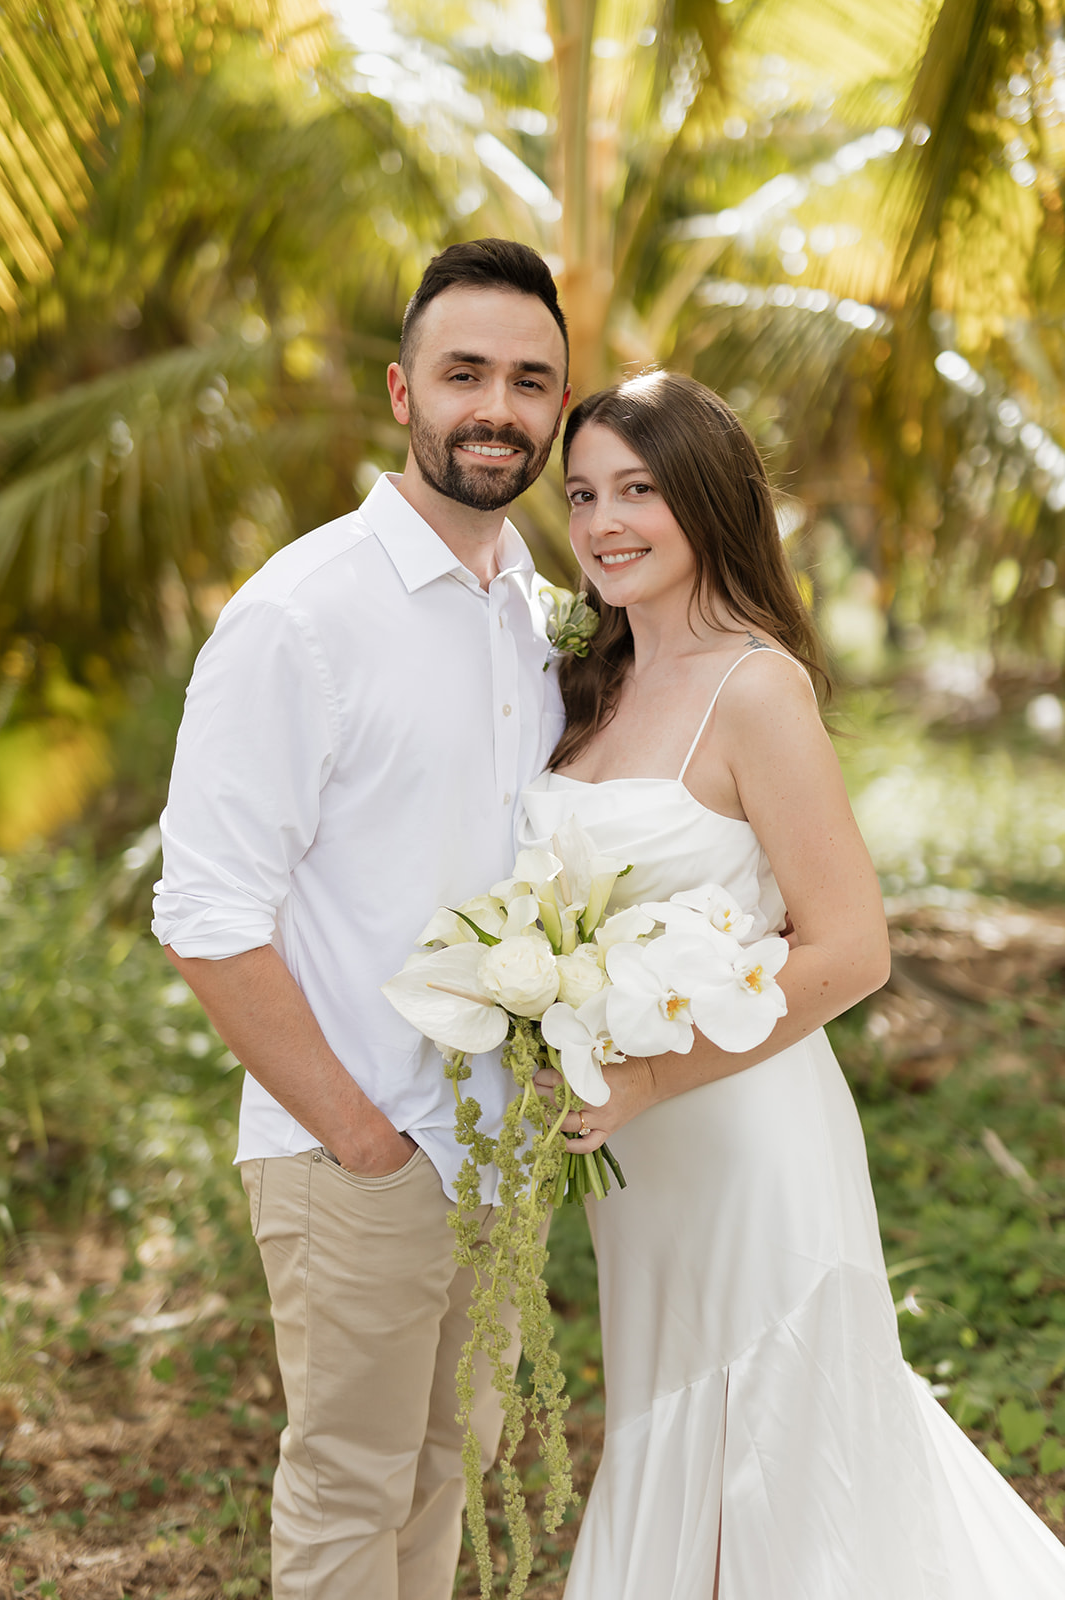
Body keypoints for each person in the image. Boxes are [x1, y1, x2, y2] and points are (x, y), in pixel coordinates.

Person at [519, 370, 1065, 1598]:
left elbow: (848, 949)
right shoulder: (584, 685)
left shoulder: (754, 687)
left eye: (639, 490)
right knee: (672, 1413)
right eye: (584, 493)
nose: (603, 521)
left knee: (779, 1441)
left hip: (740, 1128)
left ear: (708, 500)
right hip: (637, 1158)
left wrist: (648, 1075)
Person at [151, 238, 570, 1600]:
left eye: (528, 379)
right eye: (464, 374)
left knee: (442, 1475)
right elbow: (205, 918)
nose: (494, 407)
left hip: (497, 1157)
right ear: (402, 390)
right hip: (362, 1155)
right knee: (347, 1493)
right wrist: (360, 1140)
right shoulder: (298, 616)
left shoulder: (537, 616)